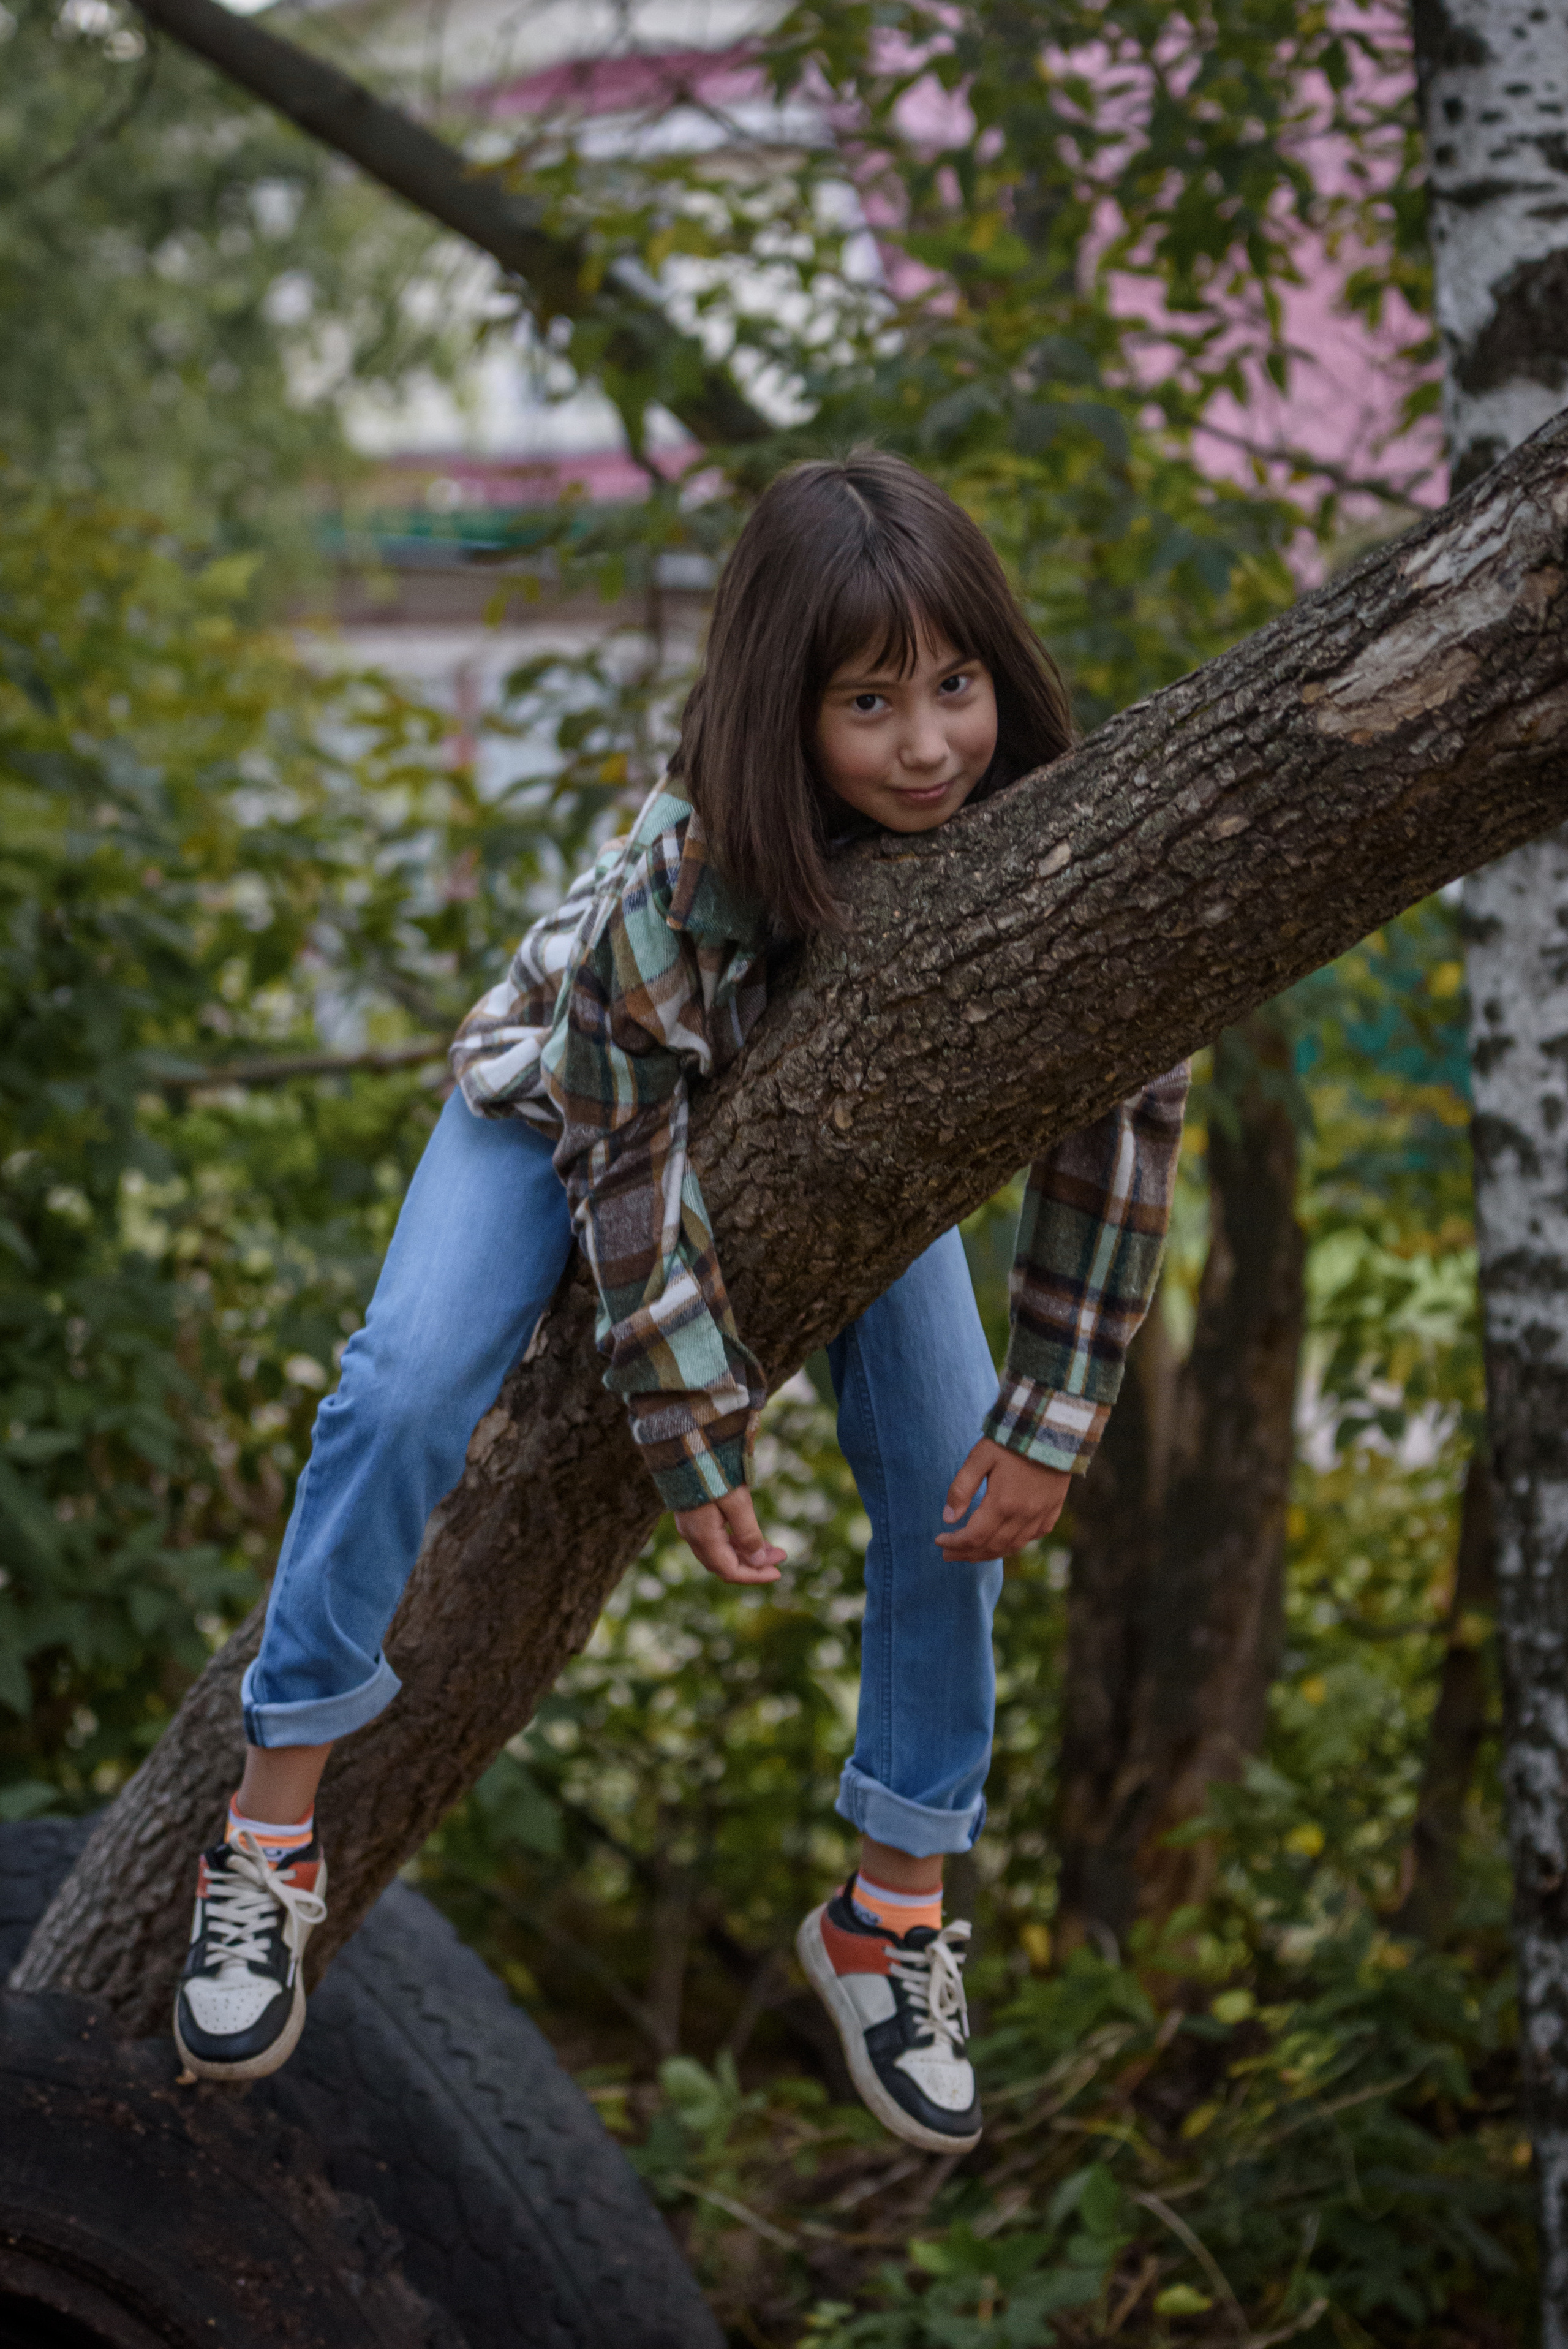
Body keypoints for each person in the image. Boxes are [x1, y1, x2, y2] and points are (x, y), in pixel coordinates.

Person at [172, 450, 1188, 2152]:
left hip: (847, 1148)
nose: (930, 744)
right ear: (780, 709)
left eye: (957, 685)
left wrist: (1055, 1411)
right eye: (872, 703)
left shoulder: (1043, 845)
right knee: (404, 1383)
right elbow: (624, 1153)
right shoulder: (692, 863)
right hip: (568, 1109)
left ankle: (896, 1901)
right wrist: (696, 1430)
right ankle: (267, 1827)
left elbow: (1125, 1107)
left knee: (957, 1475)